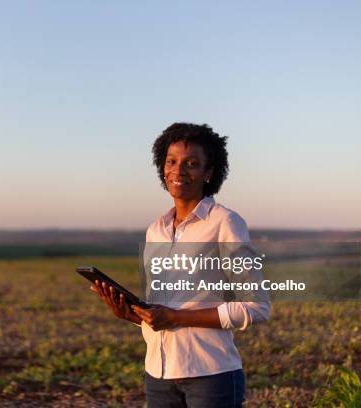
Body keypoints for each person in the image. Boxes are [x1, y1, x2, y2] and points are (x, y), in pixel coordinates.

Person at [90, 122, 271, 408]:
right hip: (158, 375)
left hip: (211, 376)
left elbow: (256, 307)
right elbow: (163, 308)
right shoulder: (156, 230)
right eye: (171, 161)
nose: (179, 170)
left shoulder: (225, 222)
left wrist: (176, 318)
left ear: (208, 173)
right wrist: (131, 314)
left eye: (191, 163)